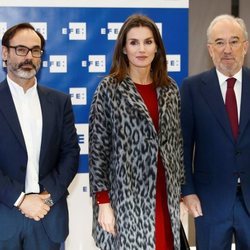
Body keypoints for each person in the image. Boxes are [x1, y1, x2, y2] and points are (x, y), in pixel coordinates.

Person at [89, 14, 184, 250]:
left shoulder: (170, 88)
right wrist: (103, 202)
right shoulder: (109, 89)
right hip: (126, 199)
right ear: (123, 49)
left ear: (157, 48)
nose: (141, 49)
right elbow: (98, 150)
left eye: (148, 42)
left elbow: (177, 145)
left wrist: (181, 192)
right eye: (134, 42)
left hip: (165, 196)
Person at [0, 23, 80, 249]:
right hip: (4, 215)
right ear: (5, 53)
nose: (29, 56)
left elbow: (71, 154)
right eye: (21, 49)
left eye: (35, 50)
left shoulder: (59, 102)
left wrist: (48, 196)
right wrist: (21, 199)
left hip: (48, 214)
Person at [181, 14, 250, 249]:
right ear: (210, 50)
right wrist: (187, 192)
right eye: (219, 42)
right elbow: (183, 145)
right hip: (209, 201)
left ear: (245, 46)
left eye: (234, 41)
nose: (227, 49)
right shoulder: (192, 88)